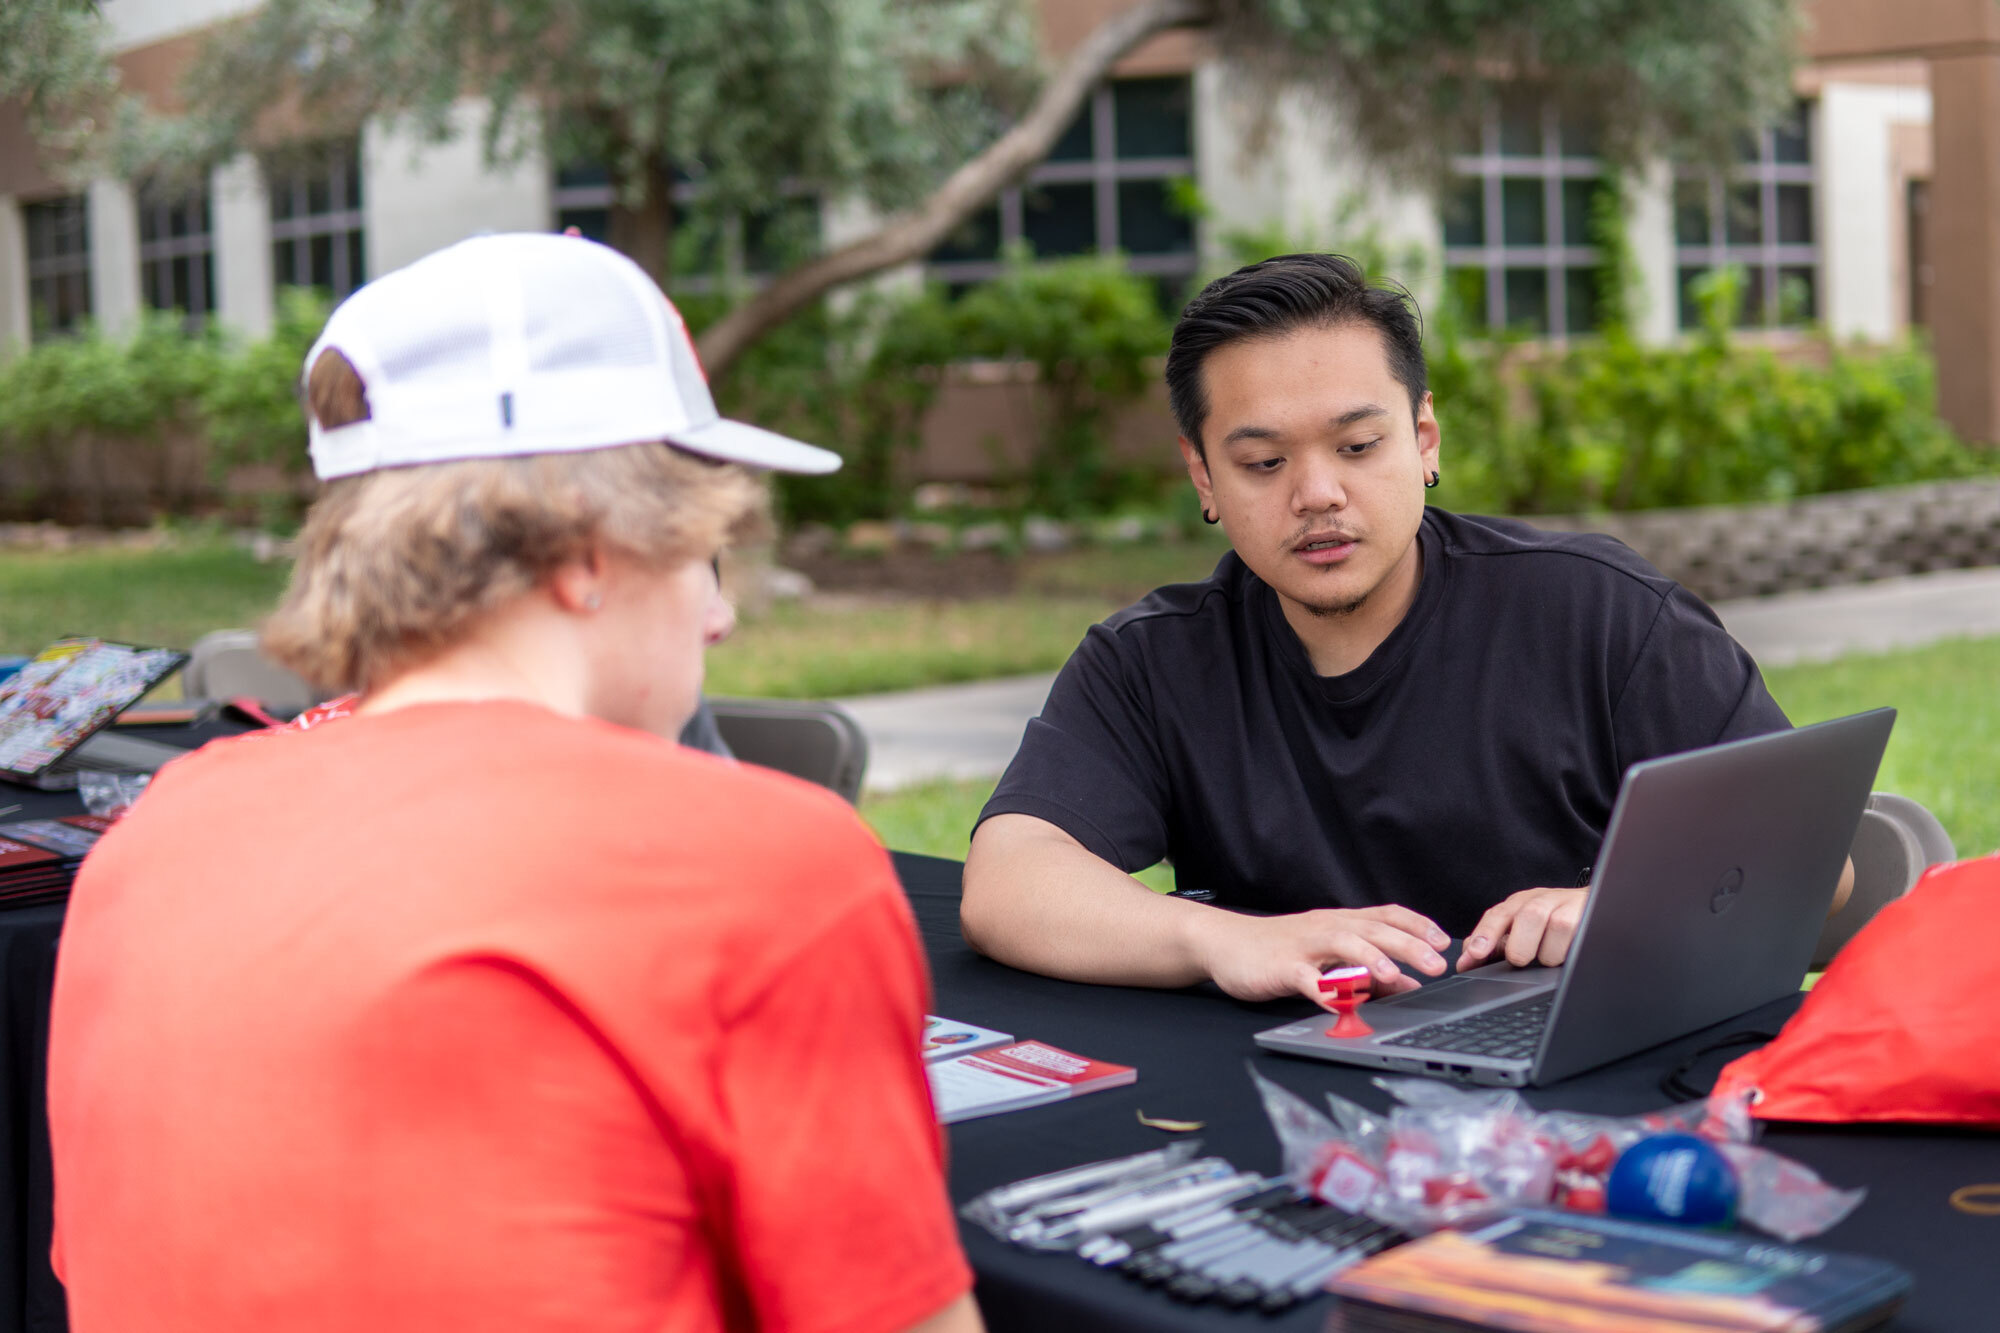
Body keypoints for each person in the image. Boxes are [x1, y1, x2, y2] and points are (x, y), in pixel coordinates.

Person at [46, 234, 980, 1333]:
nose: (717, 613)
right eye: (700, 551)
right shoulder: (767, 861)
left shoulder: (154, 837)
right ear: (585, 550)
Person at [962, 252, 1849, 1009]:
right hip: (1294, 1081)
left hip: (1587, 1066)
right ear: (1203, 476)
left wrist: (1626, 904)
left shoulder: (1602, 614)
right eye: (1263, 463)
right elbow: (1009, 881)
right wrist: (1226, 939)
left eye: (1357, 447)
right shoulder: (1153, 661)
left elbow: (1813, 864)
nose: (1317, 495)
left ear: (1424, 439)